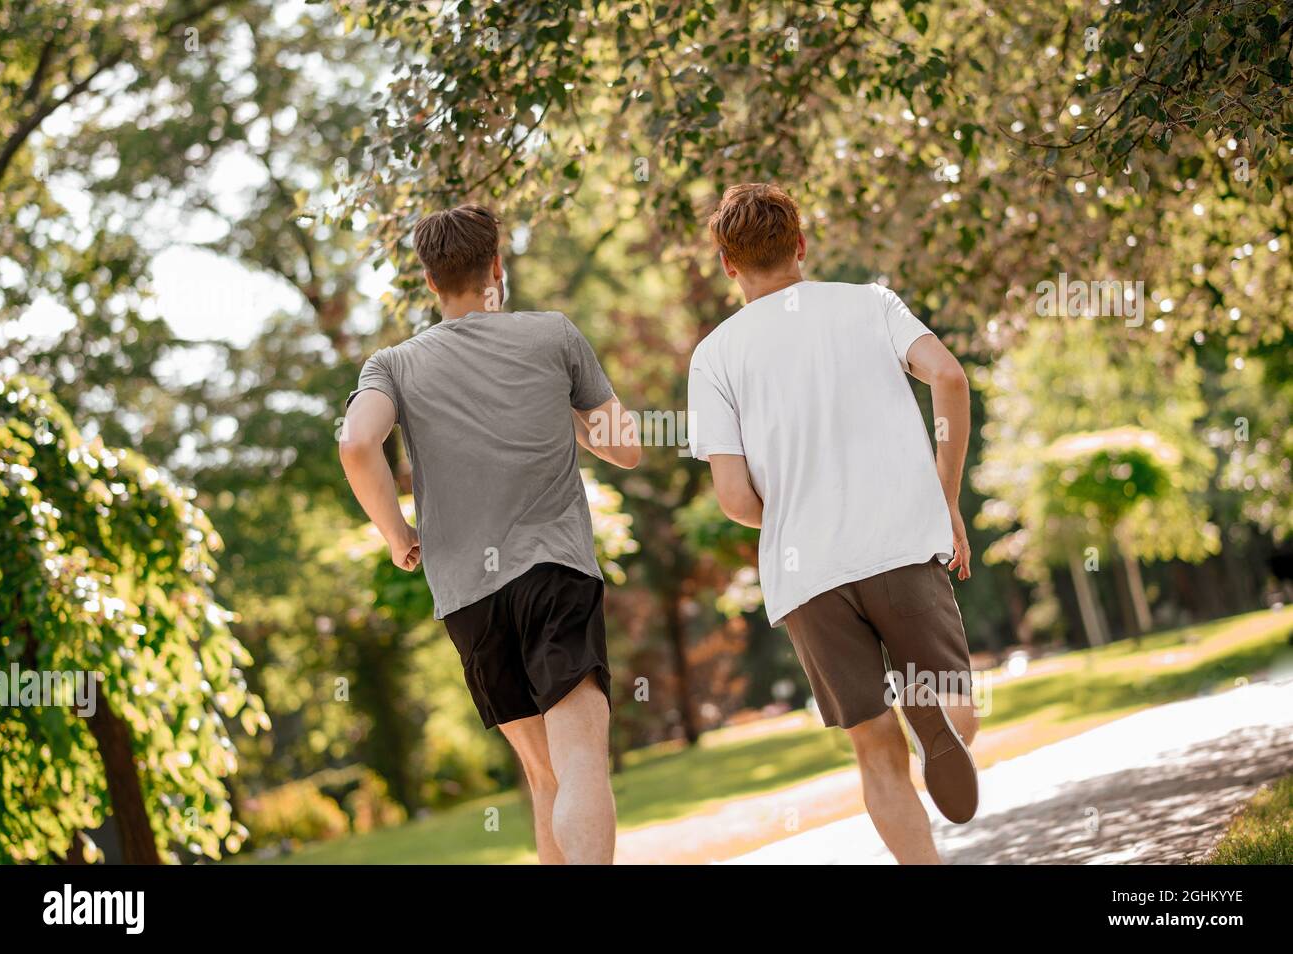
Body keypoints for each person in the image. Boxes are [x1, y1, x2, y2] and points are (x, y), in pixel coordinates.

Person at [339, 204, 640, 864]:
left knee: (544, 778)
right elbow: (627, 449)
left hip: (468, 598)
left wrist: (396, 532)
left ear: (429, 281)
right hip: (555, 572)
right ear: (496, 268)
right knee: (582, 760)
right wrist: (564, 404)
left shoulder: (391, 364)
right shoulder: (552, 335)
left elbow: (359, 442)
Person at [686, 183, 978, 864]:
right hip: (902, 542)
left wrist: (793, 514)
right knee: (952, 698)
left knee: (873, 747)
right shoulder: (869, 303)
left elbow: (732, 495)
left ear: (728, 265)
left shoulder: (713, 357)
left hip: (807, 574)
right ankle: (939, 728)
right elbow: (951, 379)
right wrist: (945, 497)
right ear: (801, 245)